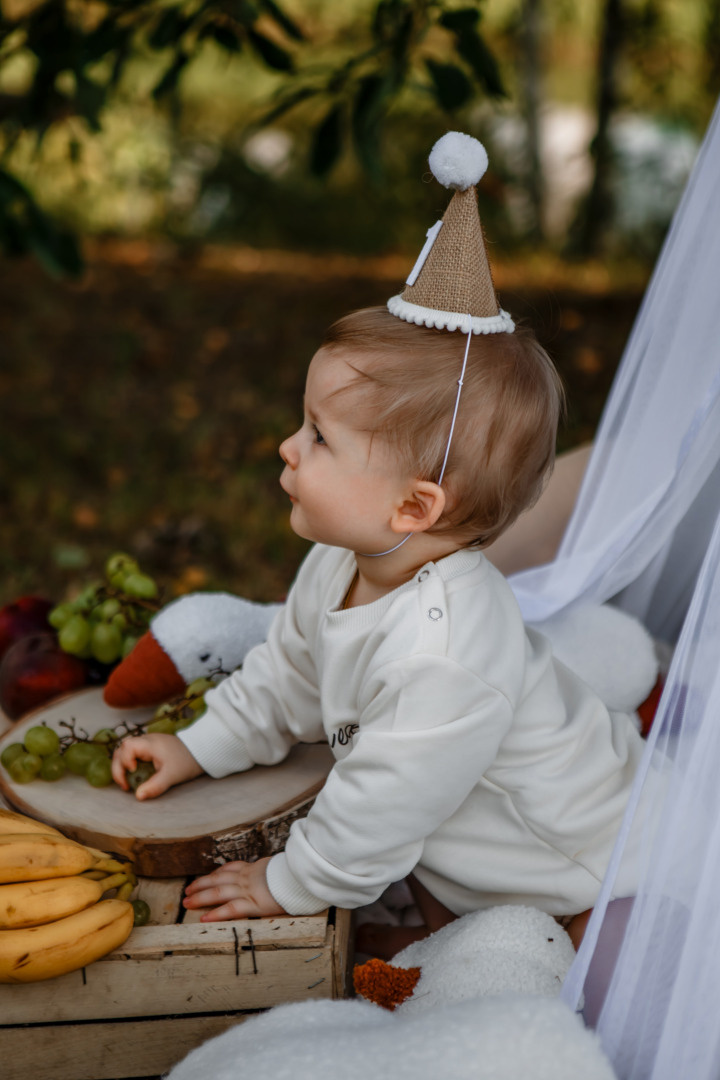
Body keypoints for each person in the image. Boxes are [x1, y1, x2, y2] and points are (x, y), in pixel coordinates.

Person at [111, 134, 644, 950]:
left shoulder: (447, 653)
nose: (288, 448)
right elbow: (286, 674)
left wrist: (286, 882)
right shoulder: (341, 562)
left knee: (539, 957)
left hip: (568, 859)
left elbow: (380, 805)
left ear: (414, 506)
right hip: (454, 844)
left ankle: (543, 932)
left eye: (319, 438)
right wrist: (197, 746)